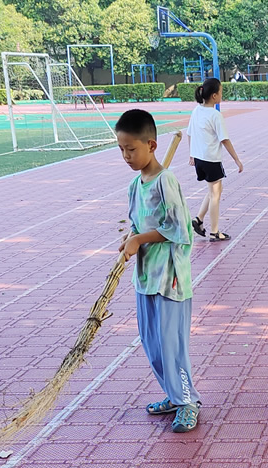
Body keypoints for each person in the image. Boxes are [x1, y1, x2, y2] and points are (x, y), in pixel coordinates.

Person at [115, 109, 202, 433]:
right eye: (121, 149)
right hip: (145, 279)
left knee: (171, 345)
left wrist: (140, 238)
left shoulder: (167, 182)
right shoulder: (135, 186)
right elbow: (138, 224)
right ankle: (173, 394)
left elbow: (181, 229)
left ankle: (187, 402)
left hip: (170, 281)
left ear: (151, 145)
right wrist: (130, 240)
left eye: (132, 149)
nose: (126, 155)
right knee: (151, 343)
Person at [185, 78, 244, 242]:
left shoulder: (197, 110)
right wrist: (237, 160)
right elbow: (224, 139)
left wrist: (192, 155)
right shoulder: (215, 115)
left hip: (199, 159)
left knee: (214, 191)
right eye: (221, 92)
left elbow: (189, 133)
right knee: (215, 195)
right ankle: (214, 232)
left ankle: (198, 219)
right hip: (211, 159)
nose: (221, 95)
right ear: (214, 96)